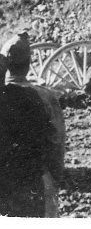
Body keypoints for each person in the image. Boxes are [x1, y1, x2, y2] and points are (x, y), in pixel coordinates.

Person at [2, 34, 63, 217]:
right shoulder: (44, 96)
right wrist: (55, 179)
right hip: (35, 182)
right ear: (29, 62)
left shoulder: (4, 96)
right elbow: (57, 143)